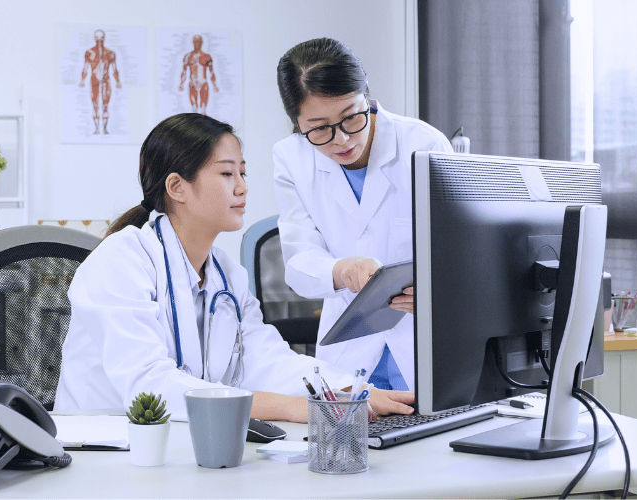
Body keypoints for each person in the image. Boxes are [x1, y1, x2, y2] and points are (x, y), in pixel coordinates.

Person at [55, 113, 414, 422]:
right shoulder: (122, 260)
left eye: (242, 173)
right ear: (177, 187)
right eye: (227, 174)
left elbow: (266, 359)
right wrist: (293, 407)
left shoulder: (227, 274)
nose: (242, 187)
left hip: (183, 447)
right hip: (104, 452)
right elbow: (150, 386)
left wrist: (351, 389)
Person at [273, 38, 453, 392]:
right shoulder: (291, 158)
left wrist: (438, 286)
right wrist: (340, 270)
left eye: (351, 117)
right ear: (296, 121)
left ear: (366, 96)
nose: (341, 139)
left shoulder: (424, 145)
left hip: (422, 344)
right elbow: (299, 259)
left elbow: (462, 249)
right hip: (349, 356)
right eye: (319, 127)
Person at [79, 29, 122, 135]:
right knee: (95, 104)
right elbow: (85, 69)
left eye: (101, 40)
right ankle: (97, 129)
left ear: (104, 39)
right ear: (95, 39)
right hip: (94, 81)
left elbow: (114, 69)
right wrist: (82, 80)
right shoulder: (89, 53)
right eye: (97, 39)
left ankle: (105, 129)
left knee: (105, 105)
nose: (99, 42)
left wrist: (117, 81)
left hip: (106, 82)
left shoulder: (110, 53)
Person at [178, 35, 219, 115]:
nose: (197, 44)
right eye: (195, 42)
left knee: (203, 110)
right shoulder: (188, 56)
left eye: (199, 42)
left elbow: (211, 72)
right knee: (194, 110)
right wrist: (181, 84)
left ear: (202, 43)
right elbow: (184, 71)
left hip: (203, 82)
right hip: (192, 83)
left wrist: (214, 86)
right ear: (193, 43)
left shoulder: (207, 56)